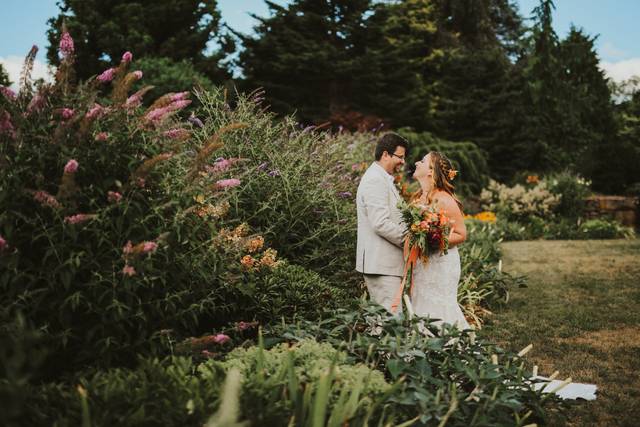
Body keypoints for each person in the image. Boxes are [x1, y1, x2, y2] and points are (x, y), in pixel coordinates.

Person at [409, 151, 470, 329]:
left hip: (441, 263)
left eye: (422, 161)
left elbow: (461, 234)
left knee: (438, 307)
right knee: (421, 305)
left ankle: (449, 350)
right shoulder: (419, 198)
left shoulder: (444, 198)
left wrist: (434, 240)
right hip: (424, 263)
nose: (417, 163)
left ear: (430, 171)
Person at [355, 133, 408, 312]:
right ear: (385, 154)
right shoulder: (375, 180)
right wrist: (408, 239)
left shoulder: (382, 178)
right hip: (381, 264)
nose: (403, 162)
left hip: (386, 264)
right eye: (400, 157)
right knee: (390, 323)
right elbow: (380, 223)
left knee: (383, 323)